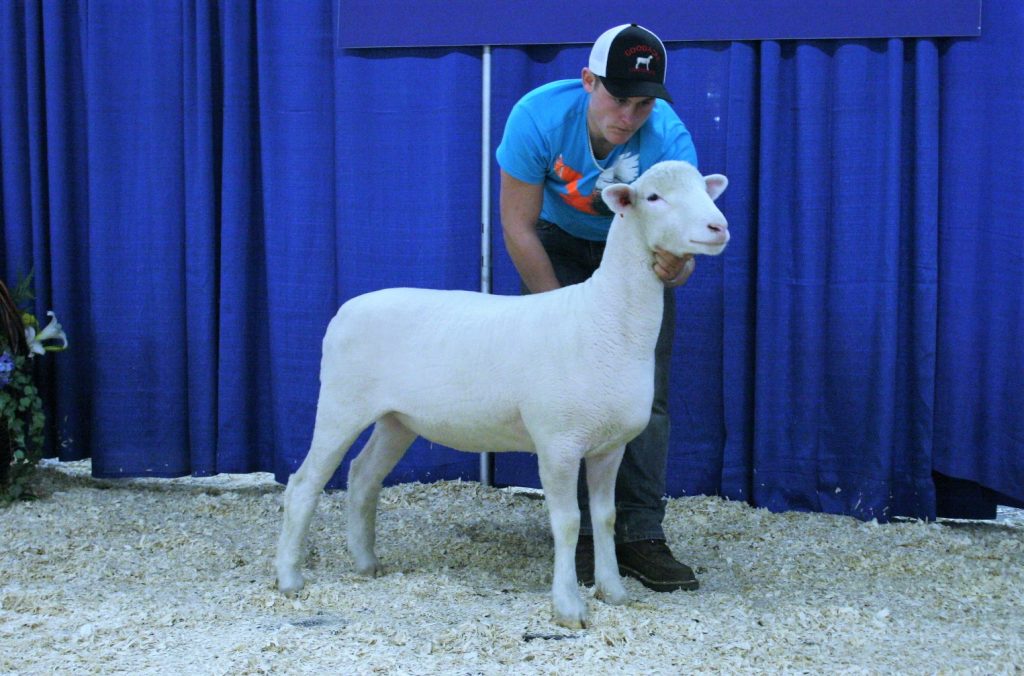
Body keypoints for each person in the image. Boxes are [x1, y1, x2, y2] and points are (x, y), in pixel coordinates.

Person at [496, 23, 700, 592]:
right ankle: (583, 538)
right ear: (588, 81)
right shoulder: (537, 117)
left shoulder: (670, 142)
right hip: (557, 245)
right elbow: (516, 222)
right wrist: (558, 309)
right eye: (617, 98)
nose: (629, 116)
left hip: (636, 256)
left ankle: (639, 534)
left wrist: (676, 267)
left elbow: (684, 248)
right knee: (559, 389)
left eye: (643, 104)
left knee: (643, 394)